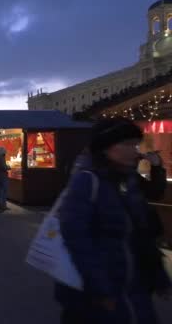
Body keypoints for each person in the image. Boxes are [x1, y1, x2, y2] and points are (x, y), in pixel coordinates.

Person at [56, 117, 171, 324]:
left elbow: (142, 229)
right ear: (106, 148)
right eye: (126, 144)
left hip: (133, 283)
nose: (134, 150)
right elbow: (76, 238)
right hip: (101, 290)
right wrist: (100, 288)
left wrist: (158, 274)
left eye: (135, 144)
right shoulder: (87, 180)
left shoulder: (128, 178)